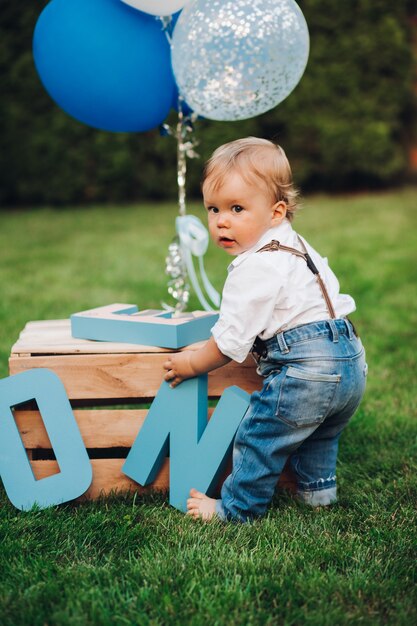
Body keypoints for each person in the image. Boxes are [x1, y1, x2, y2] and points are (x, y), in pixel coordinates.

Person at [163, 137, 367, 522]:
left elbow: (229, 341)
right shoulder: (296, 245)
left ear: (276, 212)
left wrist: (191, 365)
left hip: (307, 370)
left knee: (260, 435)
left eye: (237, 208)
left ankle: (237, 509)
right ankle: (318, 493)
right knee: (320, 432)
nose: (222, 220)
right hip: (351, 362)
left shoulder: (255, 266)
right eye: (213, 209)